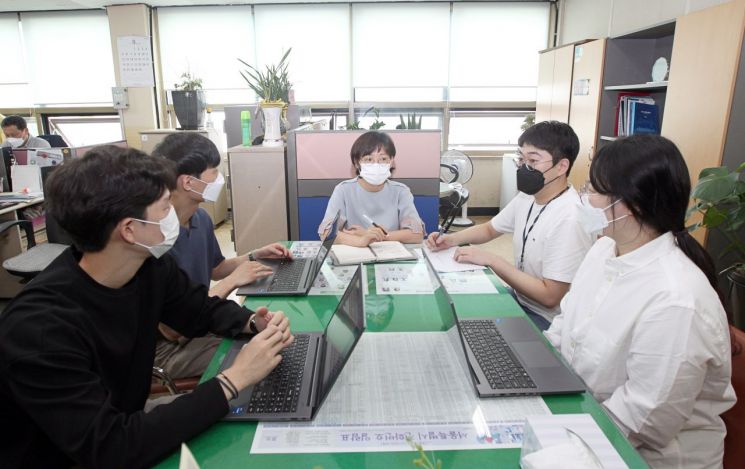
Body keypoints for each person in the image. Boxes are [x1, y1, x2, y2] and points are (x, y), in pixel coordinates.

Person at [0, 145, 294, 468]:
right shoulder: (39, 330)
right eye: (165, 205)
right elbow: (111, 446)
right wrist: (232, 380)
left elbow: (199, 309)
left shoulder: (147, 268)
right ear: (129, 230)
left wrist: (253, 323)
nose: (174, 215)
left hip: (125, 426)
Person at [545, 135, 735, 468]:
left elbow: (643, 419)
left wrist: (552, 440)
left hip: (642, 455)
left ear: (629, 205)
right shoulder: (604, 250)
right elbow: (565, 323)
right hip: (586, 420)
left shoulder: (675, 299)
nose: (584, 199)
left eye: (592, 190)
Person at [426, 121, 592, 330]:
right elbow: (489, 229)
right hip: (521, 299)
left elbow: (550, 296)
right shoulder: (528, 197)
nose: (524, 167)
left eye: (532, 160)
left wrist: (492, 260)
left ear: (561, 166)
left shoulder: (570, 218)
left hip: (549, 320)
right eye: (521, 158)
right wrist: (450, 239)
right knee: (457, 314)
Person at [151, 132, 292, 379]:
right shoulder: (154, 239)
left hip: (203, 326)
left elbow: (216, 267)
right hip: (170, 348)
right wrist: (232, 282)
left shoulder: (201, 219)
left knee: (269, 340)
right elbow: (174, 329)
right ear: (188, 182)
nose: (219, 178)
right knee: (267, 356)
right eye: (213, 172)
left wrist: (254, 256)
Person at [318, 130, 424, 246]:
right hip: (355, 255)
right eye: (369, 159)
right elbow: (326, 233)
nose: (376, 165)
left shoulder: (401, 191)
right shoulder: (343, 190)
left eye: (383, 159)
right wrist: (361, 240)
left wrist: (375, 236)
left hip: (390, 255)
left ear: (391, 161)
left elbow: (417, 234)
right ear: (357, 162)